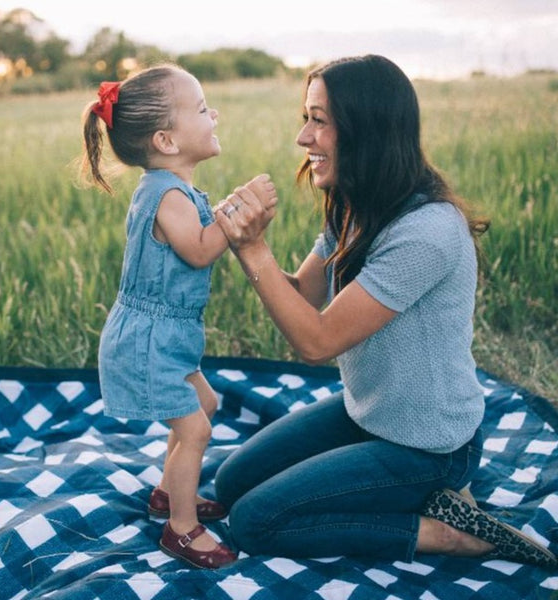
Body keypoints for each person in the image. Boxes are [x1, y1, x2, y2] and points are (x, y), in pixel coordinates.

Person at [213, 55, 557, 569]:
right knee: (231, 483)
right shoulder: (355, 204)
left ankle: (440, 531)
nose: (304, 138)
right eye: (305, 118)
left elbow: (316, 341)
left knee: (254, 522)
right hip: (369, 415)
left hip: (428, 447)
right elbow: (303, 299)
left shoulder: (427, 232)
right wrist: (240, 245)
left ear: (365, 129)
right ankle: (400, 495)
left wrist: (255, 249)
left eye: (319, 120)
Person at [81, 64, 276, 569]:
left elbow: (198, 238)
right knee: (195, 430)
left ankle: (170, 493)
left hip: (167, 335)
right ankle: (182, 529)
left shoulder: (172, 189)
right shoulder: (165, 193)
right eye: (201, 107)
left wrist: (227, 211)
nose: (214, 114)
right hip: (147, 340)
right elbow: (199, 250)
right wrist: (241, 212)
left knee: (204, 401)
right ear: (167, 140)